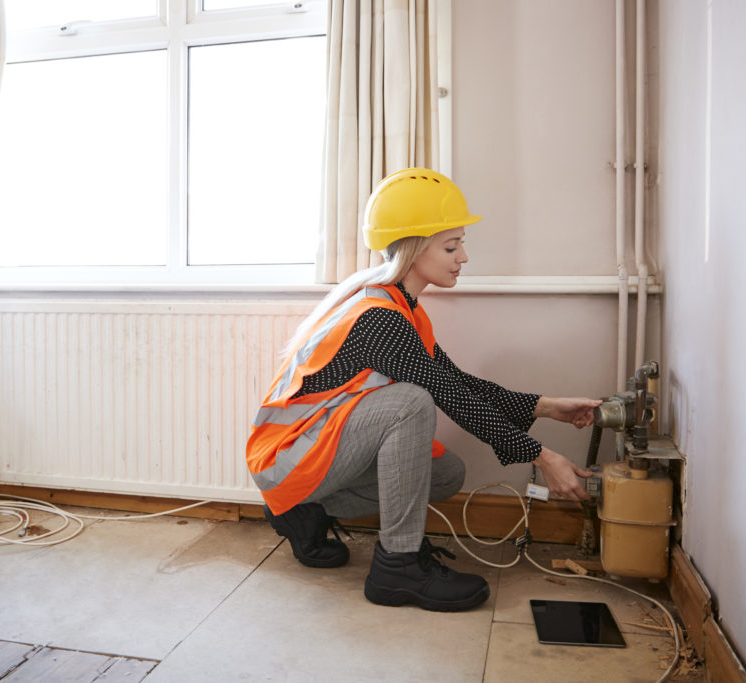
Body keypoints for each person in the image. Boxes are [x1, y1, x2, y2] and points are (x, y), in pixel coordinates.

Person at [245, 168, 600, 612]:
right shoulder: (379, 318)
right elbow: (448, 395)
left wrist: (548, 407)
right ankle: (398, 566)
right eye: (452, 246)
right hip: (286, 456)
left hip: (315, 456)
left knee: (446, 472)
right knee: (411, 402)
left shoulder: (401, 307)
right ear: (414, 249)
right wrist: (542, 456)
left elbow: (459, 383)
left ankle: (304, 509)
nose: (463, 257)